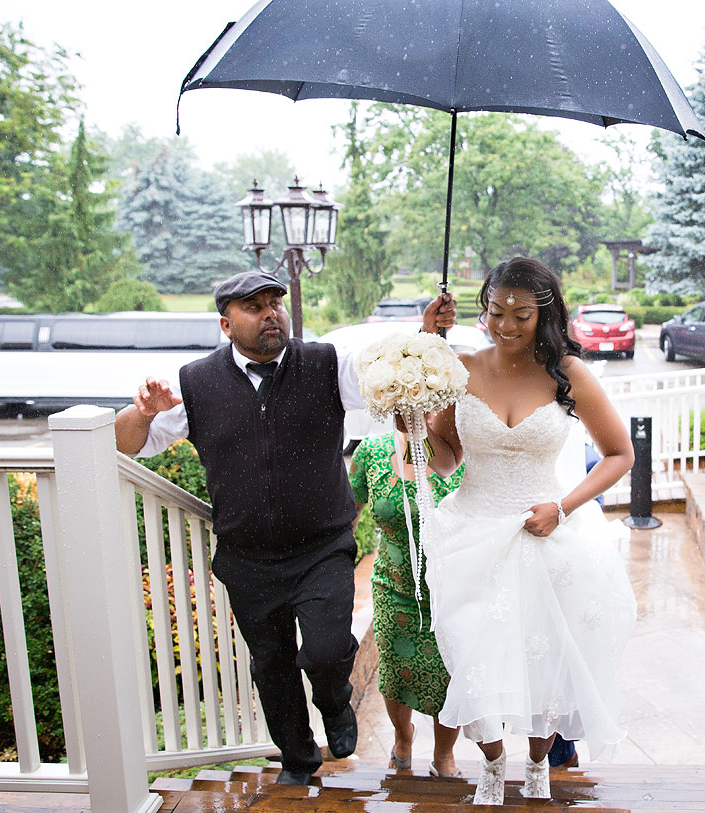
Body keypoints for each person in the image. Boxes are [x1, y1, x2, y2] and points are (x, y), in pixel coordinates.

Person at [113, 270, 455, 786]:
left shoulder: (325, 365)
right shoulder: (196, 382)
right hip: (246, 556)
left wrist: (428, 338)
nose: (272, 312)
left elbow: (395, 383)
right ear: (226, 324)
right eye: (255, 306)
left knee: (324, 649)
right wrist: (143, 412)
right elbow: (128, 444)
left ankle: (336, 706)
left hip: (322, 546)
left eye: (276, 302)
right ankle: (297, 760)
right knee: (270, 666)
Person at [421, 257, 637, 805]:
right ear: (483, 310)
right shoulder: (461, 368)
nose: (507, 325)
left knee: (547, 660)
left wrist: (562, 507)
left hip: (549, 535)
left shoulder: (568, 373)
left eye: (522, 314)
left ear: (545, 313)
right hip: (473, 534)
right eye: (496, 312)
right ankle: (492, 765)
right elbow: (445, 457)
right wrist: (414, 422)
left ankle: (539, 765)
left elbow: (619, 455)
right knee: (473, 655)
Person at [348, 430, 464, 778]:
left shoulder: (465, 446)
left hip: (453, 588)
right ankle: (403, 738)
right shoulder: (372, 450)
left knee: (448, 674)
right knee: (396, 673)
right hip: (393, 586)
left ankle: (444, 755)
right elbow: (348, 512)